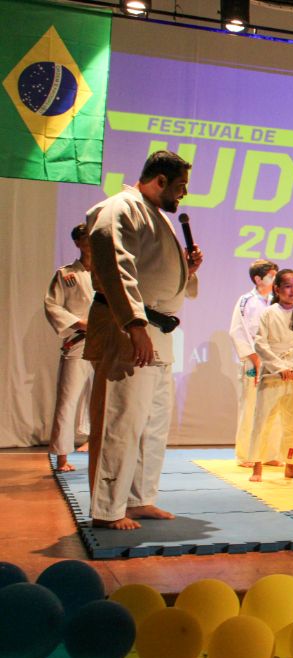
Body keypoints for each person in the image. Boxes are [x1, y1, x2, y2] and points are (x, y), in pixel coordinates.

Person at [85, 150, 202, 530]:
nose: (183, 194)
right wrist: (134, 325)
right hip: (129, 327)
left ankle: (138, 499)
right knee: (121, 419)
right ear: (160, 180)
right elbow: (115, 270)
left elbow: (153, 270)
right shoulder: (119, 208)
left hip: (159, 330)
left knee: (152, 423)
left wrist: (187, 270)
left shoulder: (155, 214)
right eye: (180, 186)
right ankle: (107, 509)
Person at [44, 224, 94, 473]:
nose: (90, 241)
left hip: (106, 343)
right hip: (79, 341)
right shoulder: (66, 274)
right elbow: (52, 306)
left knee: (102, 399)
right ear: (77, 243)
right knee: (68, 399)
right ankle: (62, 456)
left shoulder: (110, 273)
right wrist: (79, 323)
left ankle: (94, 442)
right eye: (85, 238)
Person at [247, 270, 293, 482]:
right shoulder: (269, 313)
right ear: (277, 289)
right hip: (272, 374)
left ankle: (290, 463)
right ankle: (257, 465)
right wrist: (279, 367)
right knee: (263, 420)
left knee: (292, 422)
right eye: (288, 286)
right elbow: (260, 344)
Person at [228, 259, 278, 467]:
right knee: (250, 407)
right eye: (271, 275)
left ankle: (270, 453)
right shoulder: (246, 300)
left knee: (274, 407)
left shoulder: (276, 301)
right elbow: (237, 331)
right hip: (253, 361)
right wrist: (254, 357)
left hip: (274, 361)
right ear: (258, 279)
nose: (275, 279)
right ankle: (246, 454)